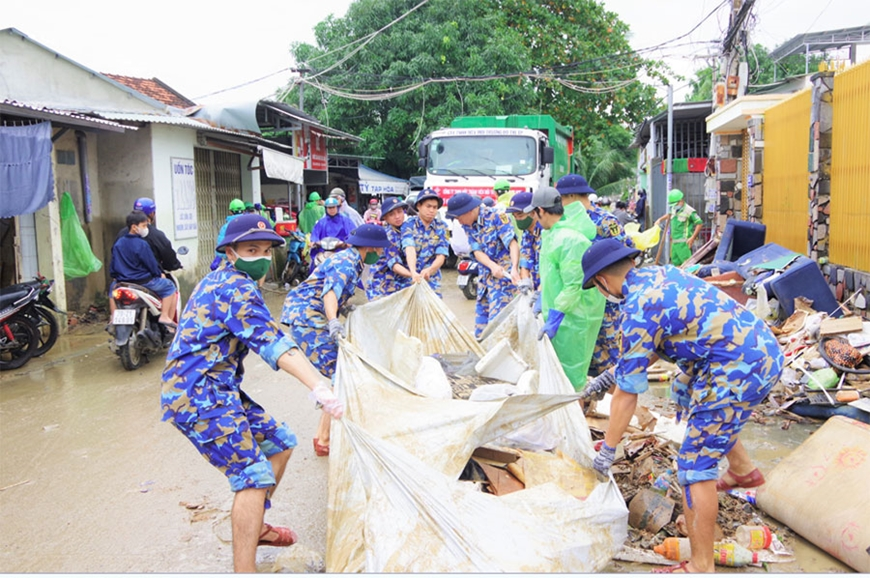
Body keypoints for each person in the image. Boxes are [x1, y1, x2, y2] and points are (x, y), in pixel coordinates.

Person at [582, 238, 784, 574]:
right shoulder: (659, 276)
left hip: (735, 370)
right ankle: (743, 470)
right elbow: (648, 345)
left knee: (694, 467)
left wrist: (609, 450)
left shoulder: (635, 308)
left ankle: (701, 566)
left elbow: (628, 394)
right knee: (701, 410)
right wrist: (607, 377)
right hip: (761, 352)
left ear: (602, 281)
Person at [160, 213, 344, 573]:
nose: (260, 255)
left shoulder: (222, 279)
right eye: (250, 249)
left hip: (218, 388)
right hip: (197, 394)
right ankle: (245, 569)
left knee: (280, 441)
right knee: (253, 474)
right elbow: (273, 342)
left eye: (265, 249)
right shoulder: (235, 288)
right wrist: (319, 386)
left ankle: (256, 524)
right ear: (230, 252)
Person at [280, 224, 389, 456]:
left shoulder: (354, 261)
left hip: (308, 315)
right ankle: (324, 438)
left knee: (341, 375)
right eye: (379, 250)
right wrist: (333, 321)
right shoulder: (346, 262)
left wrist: (346, 309)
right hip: (308, 318)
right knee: (342, 374)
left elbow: (337, 296)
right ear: (369, 247)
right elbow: (330, 291)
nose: (379, 254)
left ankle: (323, 437)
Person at [523, 187, 604, 391]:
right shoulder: (553, 234)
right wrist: (543, 295)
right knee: (558, 374)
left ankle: (573, 419)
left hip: (575, 316)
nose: (534, 219)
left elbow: (574, 285)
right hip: (562, 313)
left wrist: (556, 316)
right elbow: (553, 274)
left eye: (534, 213)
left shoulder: (570, 239)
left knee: (571, 375)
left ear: (541, 210)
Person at [556, 173, 635, 380]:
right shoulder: (565, 222)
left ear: (571, 197)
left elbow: (627, 253)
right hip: (580, 300)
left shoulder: (605, 221)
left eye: (562, 199)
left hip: (606, 298)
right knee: (582, 354)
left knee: (609, 353)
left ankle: (614, 401)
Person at [446, 193, 519, 338]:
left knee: (497, 328)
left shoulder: (497, 216)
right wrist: (491, 266)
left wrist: (515, 268)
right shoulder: (468, 225)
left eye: (459, 217)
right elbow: (477, 250)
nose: (459, 222)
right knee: (481, 330)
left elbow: (512, 243)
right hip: (485, 279)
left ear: (469, 211)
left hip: (503, 280)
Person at [110, 211, 178, 330]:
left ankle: (113, 316)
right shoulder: (142, 244)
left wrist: (115, 277)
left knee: (112, 289)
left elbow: (113, 265)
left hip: (123, 282)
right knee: (170, 287)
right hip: (143, 282)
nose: (146, 229)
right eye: (144, 226)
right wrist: (158, 274)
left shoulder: (119, 243)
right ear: (134, 227)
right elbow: (151, 264)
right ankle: (165, 317)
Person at [401, 189, 450, 296]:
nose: (432, 210)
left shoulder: (442, 227)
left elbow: (441, 255)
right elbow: (409, 248)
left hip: (431, 279)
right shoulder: (408, 225)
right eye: (428, 206)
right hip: (410, 279)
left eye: (435, 207)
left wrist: (430, 270)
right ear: (419, 206)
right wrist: (413, 272)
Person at [115, 197, 183, 273]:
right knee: (170, 285)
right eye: (143, 226)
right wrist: (173, 265)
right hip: (147, 278)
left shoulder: (121, 235)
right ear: (152, 213)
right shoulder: (155, 236)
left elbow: (114, 257)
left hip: (123, 277)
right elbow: (167, 256)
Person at [367, 197, 414, 300]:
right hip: (382, 283)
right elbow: (395, 265)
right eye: (391, 214)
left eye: (399, 212)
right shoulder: (389, 235)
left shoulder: (405, 230)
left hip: (397, 281)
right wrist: (413, 275)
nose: (397, 217)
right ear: (385, 218)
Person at [655, 189, 703, 266]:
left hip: (684, 243)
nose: (674, 206)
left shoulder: (689, 211)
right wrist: (660, 219)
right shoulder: (674, 208)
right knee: (676, 264)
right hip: (674, 243)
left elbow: (699, 223)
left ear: (680, 201)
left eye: (675, 204)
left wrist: (692, 237)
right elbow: (669, 215)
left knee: (687, 265)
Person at [504, 191, 541, 292]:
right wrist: (525, 279)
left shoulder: (545, 232)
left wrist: (541, 291)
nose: (518, 219)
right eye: (514, 216)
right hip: (538, 285)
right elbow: (526, 256)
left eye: (520, 215)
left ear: (533, 212)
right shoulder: (527, 232)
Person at [310, 198, 355, 270]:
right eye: (329, 208)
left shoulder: (345, 220)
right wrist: (313, 241)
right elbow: (315, 233)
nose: (331, 210)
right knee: (313, 265)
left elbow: (352, 232)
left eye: (333, 207)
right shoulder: (321, 222)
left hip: (341, 250)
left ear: (337, 207)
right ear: (326, 209)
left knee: (351, 266)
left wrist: (349, 242)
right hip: (324, 251)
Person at [211, 198, 247, 270]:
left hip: (233, 259)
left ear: (230, 212)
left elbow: (221, 244)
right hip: (248, 258)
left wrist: (218, 259)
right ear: (244, 211)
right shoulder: (250, 224)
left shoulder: (226, 227)